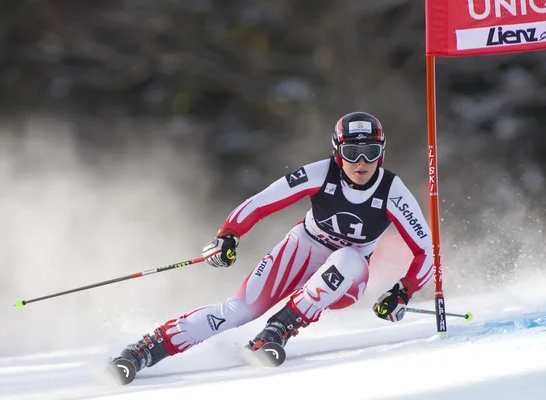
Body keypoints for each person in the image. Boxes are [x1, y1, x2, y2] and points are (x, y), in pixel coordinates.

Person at [109, 111, 434, 382]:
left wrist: (402, 291)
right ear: (338, 152)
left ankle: (275, 332)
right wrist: (229, 235)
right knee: (239, 310)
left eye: (371, 153)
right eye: (351, 153)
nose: (361, 163)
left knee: (348, 258)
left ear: (382, 153)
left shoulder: (393, 190)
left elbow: (425, 250)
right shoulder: (321, 173)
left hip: (348, 275)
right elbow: (262, 202)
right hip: (303, 246)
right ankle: (144, 350)